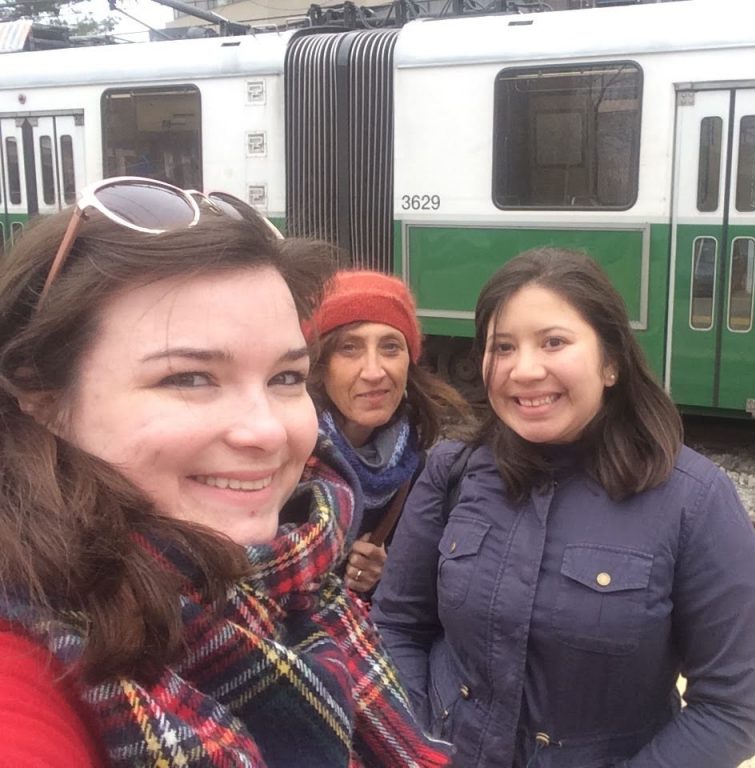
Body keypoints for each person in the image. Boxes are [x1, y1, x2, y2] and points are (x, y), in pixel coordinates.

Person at [0, 177, 451, 768]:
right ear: (41, 396)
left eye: (286, 377)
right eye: (189, 377)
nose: (267, 431)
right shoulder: (28, 673)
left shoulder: (296, 581)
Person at [372, 248, 755, 768]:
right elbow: (398, 625)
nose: (524, 369)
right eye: (504, 347)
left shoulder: (694, 501)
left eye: (554, 342)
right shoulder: (452, 472)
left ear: (611, 362)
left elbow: (731, 709)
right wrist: (420, 747)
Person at [303, 270, 471, 596]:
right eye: (349, 348)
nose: (374, 372)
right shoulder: (284, 465)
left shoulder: (421, 471)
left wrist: (387, 572)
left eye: (391, 347)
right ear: (319, 365)